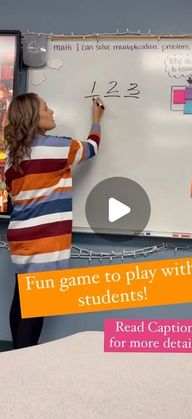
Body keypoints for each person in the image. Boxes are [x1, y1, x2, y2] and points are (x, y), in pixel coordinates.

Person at [4, 92, 104, 349]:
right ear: (33, 117)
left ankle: (14, 360)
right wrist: (96, 120)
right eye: (46, 108)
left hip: (20, 240)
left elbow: (13, 195)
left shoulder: (11, 157)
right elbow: (91, 148)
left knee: (22, 299)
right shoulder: (57, 147)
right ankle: (23, 368)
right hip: (44, 240)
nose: (52, 112)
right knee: (36, 308)